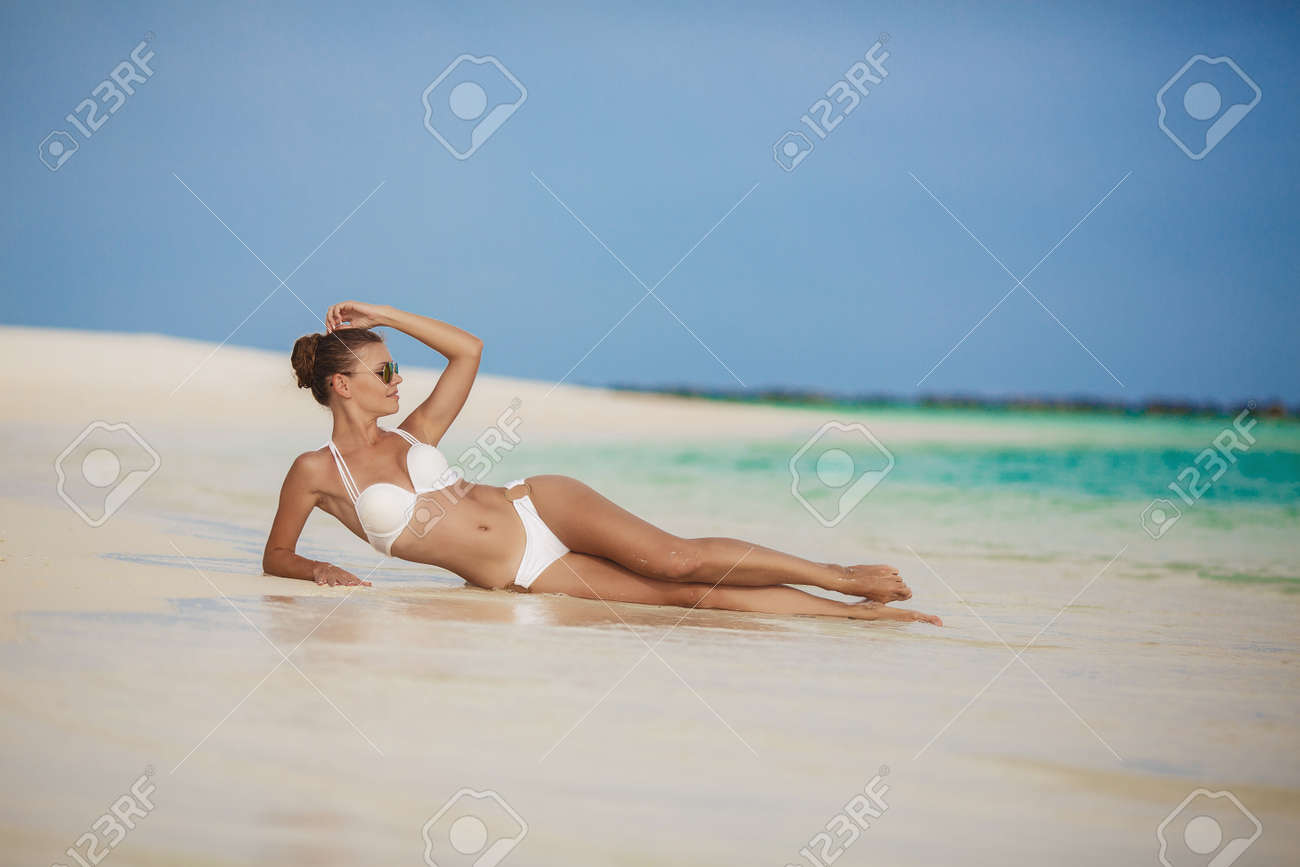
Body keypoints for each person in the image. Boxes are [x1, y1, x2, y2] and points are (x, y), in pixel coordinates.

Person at [262, 301, 942, 626]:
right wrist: (320, 568)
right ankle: (855, 618)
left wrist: (384, 314)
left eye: (396, 365)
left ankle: (841, 576)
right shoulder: (317, 473)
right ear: (342, 385)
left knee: (677, 559)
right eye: (383, 369)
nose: (396, 378)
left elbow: (468, 350)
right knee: (683, 599)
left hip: (539, 504)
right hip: (523, 574)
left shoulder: (415, 434)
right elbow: (277, 555)